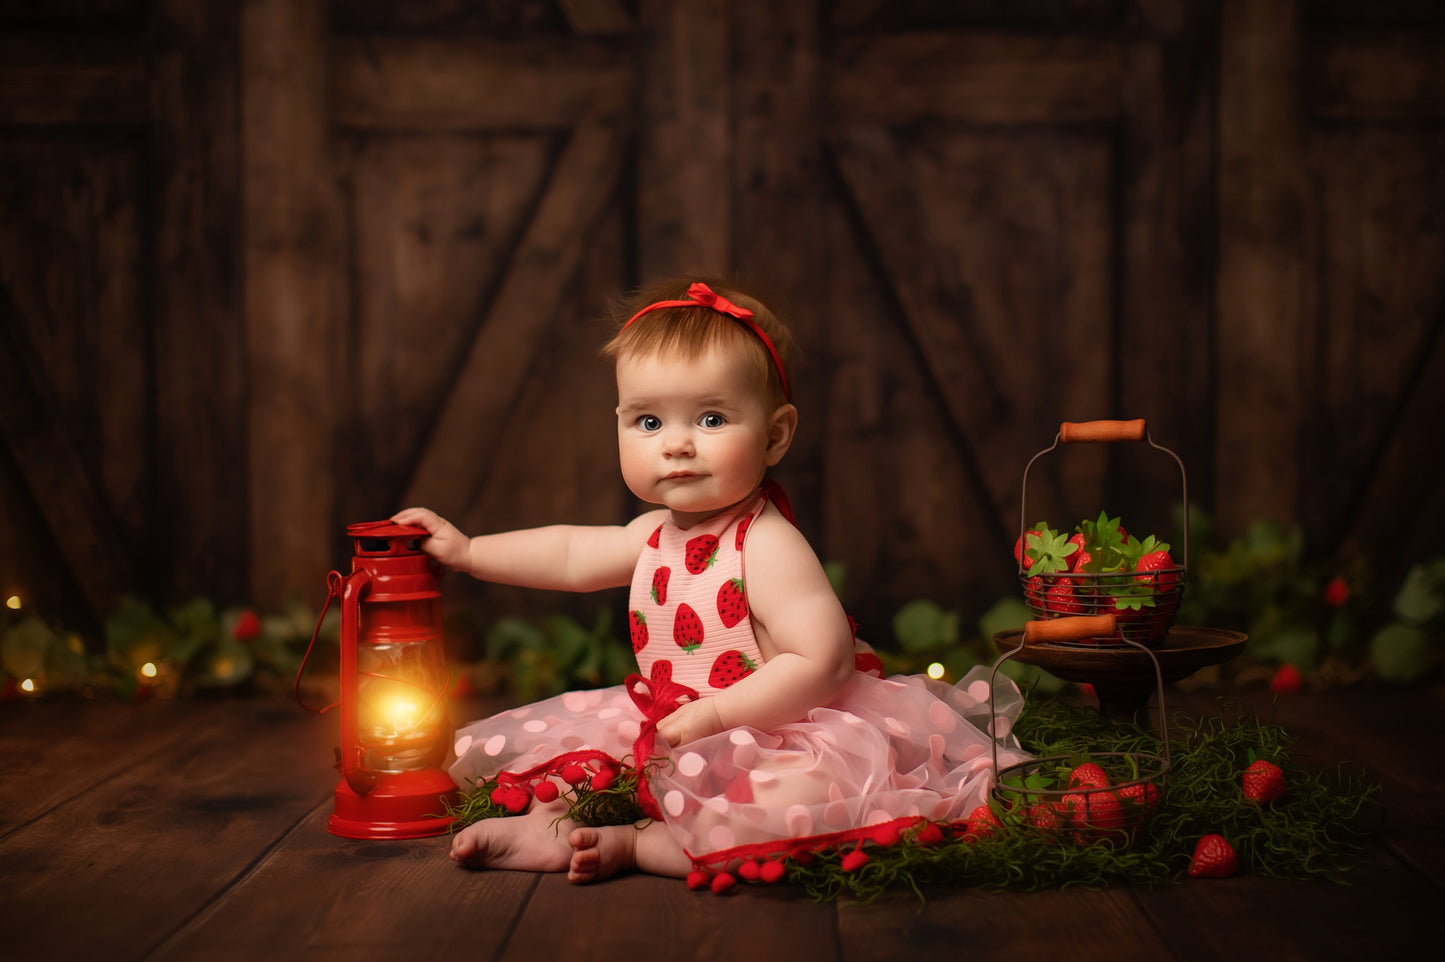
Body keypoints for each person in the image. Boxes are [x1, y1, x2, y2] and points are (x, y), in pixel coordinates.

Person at [393, 277, 1024, 886]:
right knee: (587, 761)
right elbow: (567, 555)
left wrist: (719, 714)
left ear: (775, 435)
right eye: (648, 422)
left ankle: (644, 843)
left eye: (712, 419)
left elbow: (823, 660)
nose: (676, 446)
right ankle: (550, 828)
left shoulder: (766, 543)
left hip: (783, 727)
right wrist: (470, 550)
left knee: (799, 793)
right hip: (678, 722)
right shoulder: (653, 535)